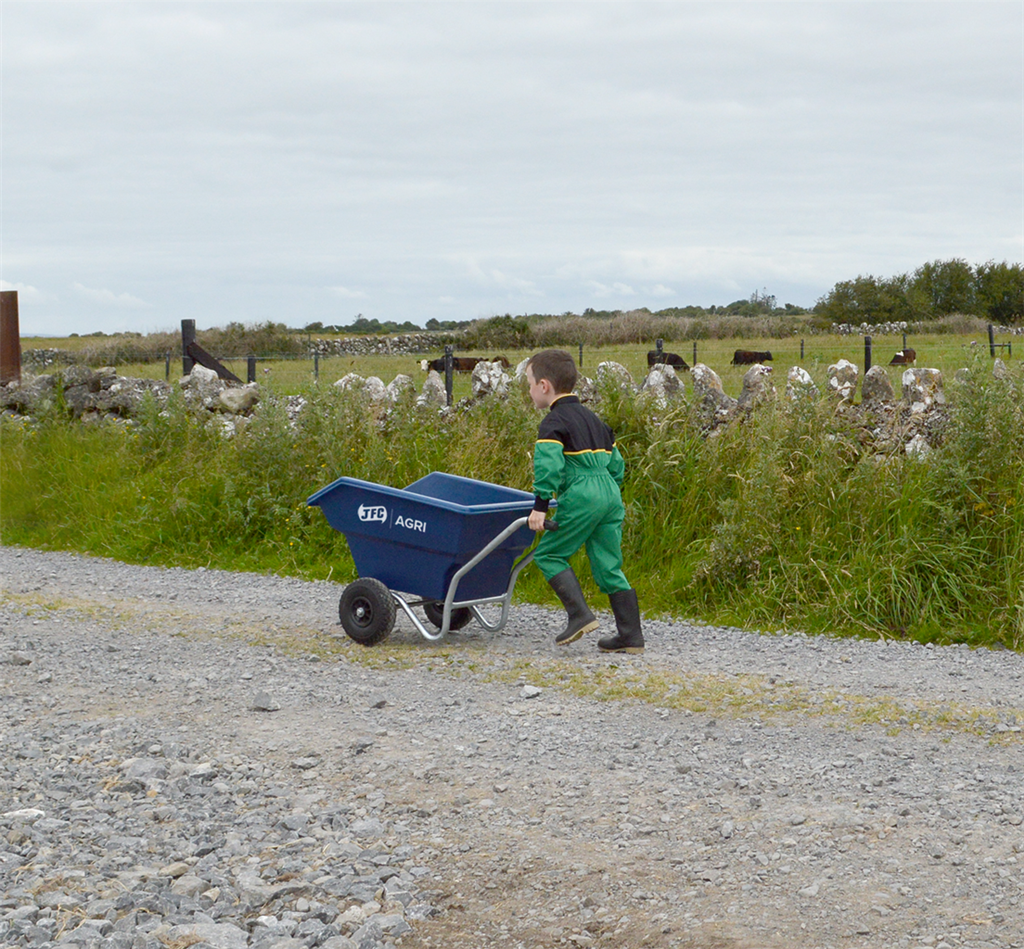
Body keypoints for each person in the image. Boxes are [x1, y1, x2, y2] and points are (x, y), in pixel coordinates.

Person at [525, 349, 644, 653]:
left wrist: (540, 507)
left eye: (529, 384)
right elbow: (617, 465)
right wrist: (607, 495)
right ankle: (630, 636)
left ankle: (579, 615)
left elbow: (548, 466)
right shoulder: (595, 420)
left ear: (544, 386)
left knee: (549, 554)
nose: (529, 391)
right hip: (610, 493)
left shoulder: (553, 423)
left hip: (582, 493)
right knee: (608, 563)